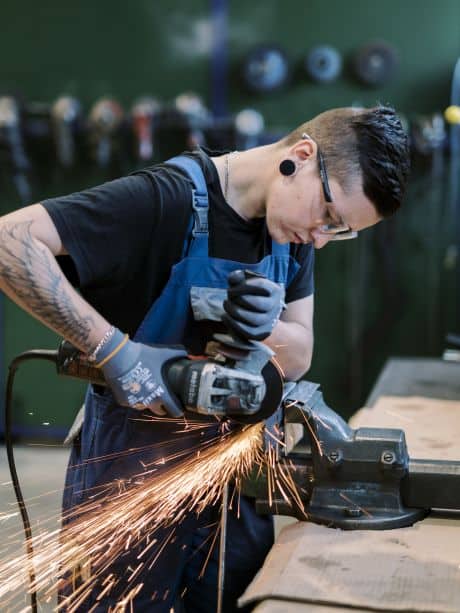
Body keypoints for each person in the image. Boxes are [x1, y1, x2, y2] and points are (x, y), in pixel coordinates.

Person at [0, 105, 409, 611]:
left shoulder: (292, 232)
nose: (322, 239)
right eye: (328, 218)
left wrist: (266, 329)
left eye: (340, 231)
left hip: (239, 482)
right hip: (134, 475)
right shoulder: (165, 201)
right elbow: (8, 240)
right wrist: (115, 352)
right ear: (301, 157)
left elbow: (298, 353)